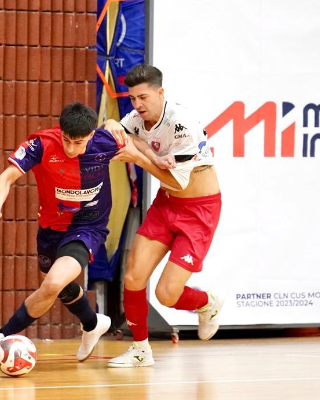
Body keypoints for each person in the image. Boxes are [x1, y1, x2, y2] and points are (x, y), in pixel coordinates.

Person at [0, 102, 126, 362]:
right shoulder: (41, 144)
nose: (70, 148)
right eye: (66, 140)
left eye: (78, 143)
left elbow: (138, 149)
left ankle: (0, 337)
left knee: (53, 284)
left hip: (88, 227)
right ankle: (93, 323)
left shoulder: (105, 142)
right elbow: (7, 177)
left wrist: (160, 160)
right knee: (58, 287)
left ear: (91, 135)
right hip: (51, 227)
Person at [103, 64, 223, 368]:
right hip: (166, 205)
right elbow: (118, 129)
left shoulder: (182, 124)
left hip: (199, 210)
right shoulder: (137, 118)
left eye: (143, 97)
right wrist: (111, 123)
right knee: (133, 277)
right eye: (132, 99)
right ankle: (140, 350)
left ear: (160, 93)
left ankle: (207, 303)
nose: (138, 104)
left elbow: (176, 181)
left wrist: (138, 157)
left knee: (166, 295)